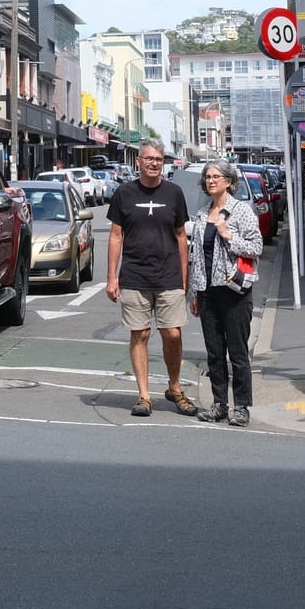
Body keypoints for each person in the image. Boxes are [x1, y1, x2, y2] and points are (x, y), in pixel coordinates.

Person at [106, 141, 193, 418]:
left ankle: (175, 387)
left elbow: (181, 236)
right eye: (149, 159)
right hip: (134, 274)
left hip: (168, 274)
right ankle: (144, 395)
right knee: (140, 334)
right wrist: (111, 277)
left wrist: (184, 276)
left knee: (172, 333)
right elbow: (116, 235)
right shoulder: (124, 193)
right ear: (139, 162)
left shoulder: (175, 193)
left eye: (159, 159)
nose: (155, 163)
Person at [186, 160, 262, 427]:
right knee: (214, 351)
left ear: (229, 181)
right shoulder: (201, 213)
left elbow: (256, 247)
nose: (210, 181)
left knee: (238, 352)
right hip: (207, 291)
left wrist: (228, 235)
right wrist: (193, 292)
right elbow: (195, 256)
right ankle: (219, 403)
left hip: (234, 291)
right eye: (207, 177)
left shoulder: (241, 211)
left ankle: (241, 406)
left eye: (216, 176)